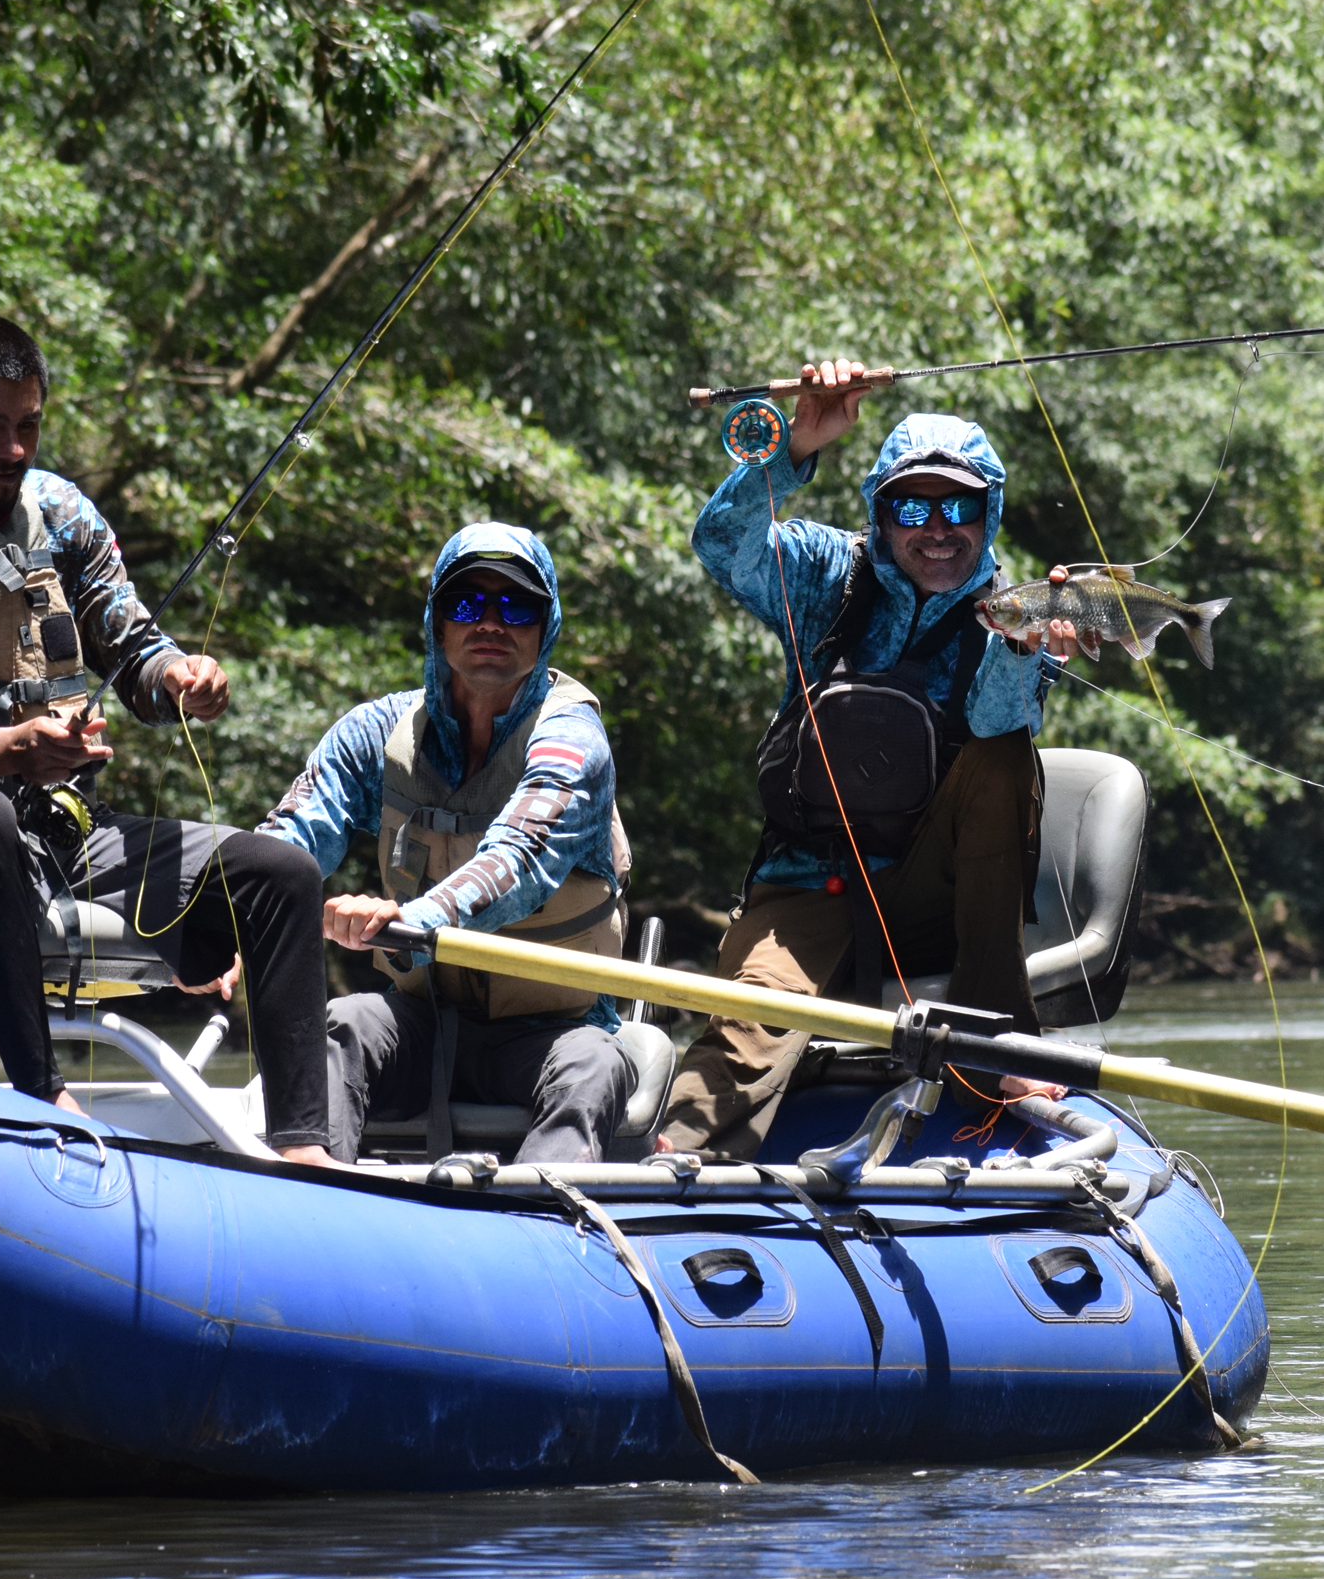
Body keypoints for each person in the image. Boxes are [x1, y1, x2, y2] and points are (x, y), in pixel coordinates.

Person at [0, 311, 335, 1162]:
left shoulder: (60, 513)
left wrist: (180, 680)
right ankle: (43, 1094)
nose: (14, 449)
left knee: (280, 874)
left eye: (30, 426)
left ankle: (305, 1148)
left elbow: (134, 648)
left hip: (56, 828)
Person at [659, 359, 1076, 1157]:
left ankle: (1000, 1047)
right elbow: (720, 543)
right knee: (743, 1037)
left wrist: (1021, 652)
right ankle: (668, 1169)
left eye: (959, 506)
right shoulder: (825, 574)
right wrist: (793, 448)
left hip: (936, 901)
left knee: (1003, 760)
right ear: (880, 515)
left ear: (988, 515)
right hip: (807, 885)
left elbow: (995, 725)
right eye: (912, 506)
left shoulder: (1024, 609)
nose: (937, 527)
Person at [262, 523, 637, 1165]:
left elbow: (518, 859)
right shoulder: (375, 733)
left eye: (516, 607)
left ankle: (535, 1232)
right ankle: (313, 1193)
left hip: (554, 1032)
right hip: (422, 1022)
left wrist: (410, 921)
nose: (491, 623)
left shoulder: (574, 737)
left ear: (545, 629)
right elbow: (286, 844)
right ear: (437, 624)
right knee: (345, 1021)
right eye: (467, 605)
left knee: (594, 1066)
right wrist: (229, 919)